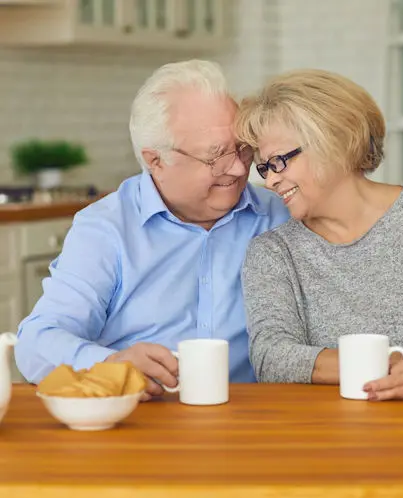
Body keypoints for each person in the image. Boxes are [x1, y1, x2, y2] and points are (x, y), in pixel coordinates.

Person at [14, 60, 289, 400]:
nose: (237, 168)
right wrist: (111, 363)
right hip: (142, 422)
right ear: (155, 160)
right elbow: (36, 342)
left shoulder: (279, 214)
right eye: (215, 155)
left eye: (242, 148)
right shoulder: (106, 229)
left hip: (252, 416)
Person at [237, 68, 403, 400]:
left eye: (278, 161)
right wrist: (388, 365)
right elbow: (272, 358)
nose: (270, 180)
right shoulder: (273, 253)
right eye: (263, 167)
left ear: (334, 142)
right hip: (328, 434)